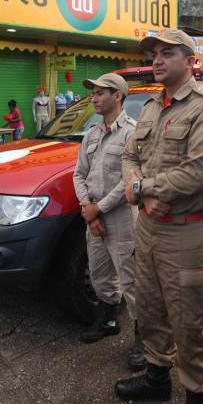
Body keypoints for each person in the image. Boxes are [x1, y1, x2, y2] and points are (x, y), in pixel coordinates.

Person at [117, 29, 203, 404]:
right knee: (149, 307)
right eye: (154, 54)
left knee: (188, 318)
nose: (157, 60)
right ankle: (156, 376)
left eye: (168, 53)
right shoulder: (150, 106)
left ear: (191, 61)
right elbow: (130, 154)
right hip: (149, 226)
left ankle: (197, 394)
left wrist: (143, 187)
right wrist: (140, 190)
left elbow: (198, 172)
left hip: (187, 230)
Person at [72, 72, 144, 369]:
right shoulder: (91, 133)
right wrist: (89, 209)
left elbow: (130, 180)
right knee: (100, 272)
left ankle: (144, 337)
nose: (94, 97)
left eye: (101, 92)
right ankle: (109, 318)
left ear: (118, 96)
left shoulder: (133, 133)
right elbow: (79, 174)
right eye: (93, 92)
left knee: (132, 280)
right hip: (95, 215)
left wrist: (97, 209)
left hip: (122, 218)